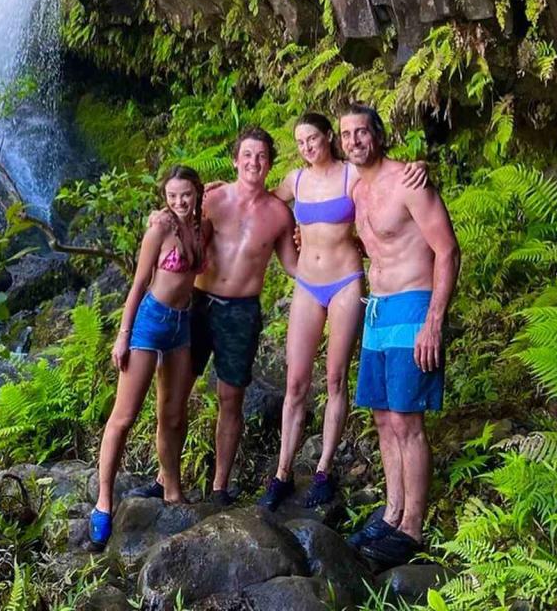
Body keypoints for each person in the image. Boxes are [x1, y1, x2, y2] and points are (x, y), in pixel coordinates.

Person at [258, 114, 427, 511]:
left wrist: (421, 166)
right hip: (307, 282)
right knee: (296, 381)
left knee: (335, 377)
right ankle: (282, 471)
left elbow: (388, 180)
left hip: (345, 282)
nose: (307, 147)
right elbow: (260, 200)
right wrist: (216, 193)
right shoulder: (295, 181)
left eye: (313, 139)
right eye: (300, 142)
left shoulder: (351, 174)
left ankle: (323, 467)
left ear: (329, 138)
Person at [130, 127, 299, 504]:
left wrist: (330, 251)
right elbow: (176, 219)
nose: (254, 162)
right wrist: (158, 221)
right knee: (175, 393)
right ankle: (164, 477)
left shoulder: (278, 215)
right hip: (197, 304)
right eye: (247, 155)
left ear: (270, 162)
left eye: (261, 156)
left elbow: (293, 265)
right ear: (236, 159)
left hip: (241, 311)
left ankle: (220, 486)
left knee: (230, 397)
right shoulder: (212, 199)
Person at [340, 103, 460, 567]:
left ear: (379, 135)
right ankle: (392, 513)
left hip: (413, 305)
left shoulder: (409, 182)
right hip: (377, 311)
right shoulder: (356, 190)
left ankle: (412, 527)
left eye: (362, 132)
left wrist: (434, 321)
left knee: (408, 422)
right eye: (347, 134)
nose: (354, 141)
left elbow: (447, 250)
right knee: (384, 419)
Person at [88, 165, 212, 548]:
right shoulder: (159, 228)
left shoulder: (200, 227)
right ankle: (104, 502)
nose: (179, 202)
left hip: (181, 324)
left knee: (173, 414)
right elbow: (139, 283)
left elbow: (224, 192)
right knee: (124, 416)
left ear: (197, 194)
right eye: (172, 196)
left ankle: (171, 489)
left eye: (186, 195)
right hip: (149, 322)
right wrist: (122, 336)